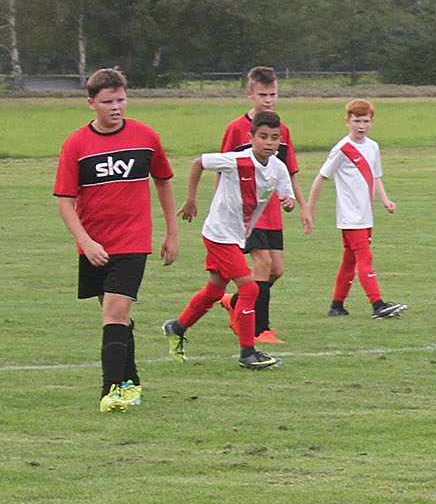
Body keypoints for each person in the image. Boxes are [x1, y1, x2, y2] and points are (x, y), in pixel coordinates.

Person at [54, 67, 179, 412]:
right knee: (115, 317)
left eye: (121, 99)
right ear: (91, 103)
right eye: (107, 101)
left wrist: (171, 232)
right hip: (94, 245)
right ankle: (132, 380)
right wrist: (86, 241)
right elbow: (65, 201)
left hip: (133, 242)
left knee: (115, 309)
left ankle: (111, 391)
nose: (116, 107)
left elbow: (164, 180)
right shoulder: (76, 144)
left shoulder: (145, 137)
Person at [162, 111, 295, 370]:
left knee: (214, 290)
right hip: (219, 233)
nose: (269, 142)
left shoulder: (278, 167)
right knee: (250, 289)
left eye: (275, 138)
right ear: (251, 137)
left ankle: (176, 327)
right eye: (263, 136)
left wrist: (288, 202)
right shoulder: (237, 160)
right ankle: (248, 353)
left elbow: (286, 198)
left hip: (237, 235)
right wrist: (190, 199)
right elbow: (197, 163)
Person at [300, 98, 407, 319]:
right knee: (364, 259)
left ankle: (336, 305)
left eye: (365, 121)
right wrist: (310, 209)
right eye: (357, 121)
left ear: (372, 122)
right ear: (347, 121)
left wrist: (385, 200)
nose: (361, 126)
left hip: (366, 215)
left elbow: (375, 176)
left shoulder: (373, 146)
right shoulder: (342, 149)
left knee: (349, 260)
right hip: (350, 217)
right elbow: (321, 177)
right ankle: (378, 305)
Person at [216, 66, 300, 346]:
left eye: (273, 94)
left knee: (276, 270)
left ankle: (235, 302)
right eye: (263, 94)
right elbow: (221, 168)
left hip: (272, 212)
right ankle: (257, 329)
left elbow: (287, 170)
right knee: (262, 264)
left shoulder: (280, 129)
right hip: (246, 214)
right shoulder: (236, 129)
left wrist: (298, 202)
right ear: (250, 94)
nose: (268, 100)